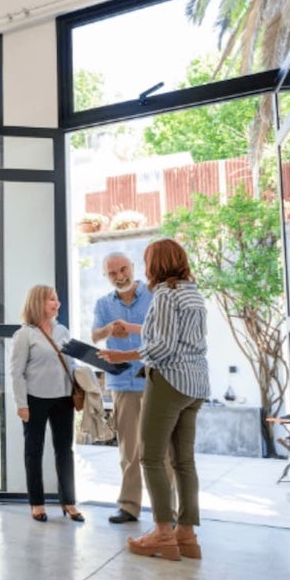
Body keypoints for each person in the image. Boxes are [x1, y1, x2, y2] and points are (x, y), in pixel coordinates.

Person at [99, 238, 209, 560]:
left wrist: (124, 356)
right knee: (184, 461)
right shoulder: (193, 293)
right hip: (195, 384)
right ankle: (186, 535)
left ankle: (162, 533)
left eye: (147, 260)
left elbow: (160, 348)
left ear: (156, 263)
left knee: (149, 456)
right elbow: (176, 338)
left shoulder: (164, 294)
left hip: (169, 381)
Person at [92, 252, 174, 524]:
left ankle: (167, 511)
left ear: (132, 267)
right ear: (106, 276)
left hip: (155, 380)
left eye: (123, 269)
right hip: (121, 383)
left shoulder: (154, 296)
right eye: (112, 273)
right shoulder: (103, 304)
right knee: (129, 450)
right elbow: (95, 335)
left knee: (161, 450)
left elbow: (162, 333)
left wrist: (131, 329)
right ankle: (129, 506)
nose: (119, 276)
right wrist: (109, 330)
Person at [10, 285, 85, 523]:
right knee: (34, 451)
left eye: (57, 299)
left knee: (65, 451)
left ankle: (69, 502)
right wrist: (22, 404)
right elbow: (16, 372)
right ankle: (37, 503)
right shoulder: (25, 334)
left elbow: (71, 363)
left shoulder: (62, 330)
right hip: (35, 400)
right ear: (38, 303)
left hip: (63, 398)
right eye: (52, 299)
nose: (57, 303)